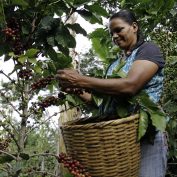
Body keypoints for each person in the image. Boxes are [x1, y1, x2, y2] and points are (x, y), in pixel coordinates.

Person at [56, 9, 167, 177]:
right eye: (111, 33)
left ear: (134, 27)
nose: (114, 36)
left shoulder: (148, 50)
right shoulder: (113, 65)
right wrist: (76, 90)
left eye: (119, 30)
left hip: (146, 138)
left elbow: (130, 86)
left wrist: (81, 80)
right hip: (118, 140)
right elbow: (101, 104)